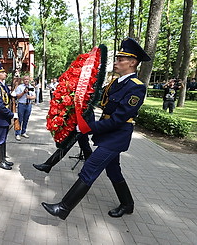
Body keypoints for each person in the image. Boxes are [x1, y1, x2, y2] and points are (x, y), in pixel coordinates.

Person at [41, 37, 151, 220]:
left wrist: (88, 127)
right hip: (108, 135)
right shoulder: (116, 83)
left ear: (132, 62)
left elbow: (117, 120)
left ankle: (63, 208)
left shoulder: (136, 88)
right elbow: (100, 102)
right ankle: (128, 204)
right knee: (113, 171)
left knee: (89, 170)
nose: (116, 62)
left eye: (120, 59)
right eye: (116, 58)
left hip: (116, 137)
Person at [12, 75, 36, 141]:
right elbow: (17, 96)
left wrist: (30, 97)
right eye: (25, 79)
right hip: (21, 105)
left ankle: (23, 132)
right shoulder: (20, 87)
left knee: (26, 119)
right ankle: (17, 133)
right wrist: (23, 92)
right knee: (20, 119)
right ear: (23, 80)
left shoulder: (31, 87)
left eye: (27, 79)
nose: (26, 81)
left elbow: (34, 96)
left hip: (29, 105)